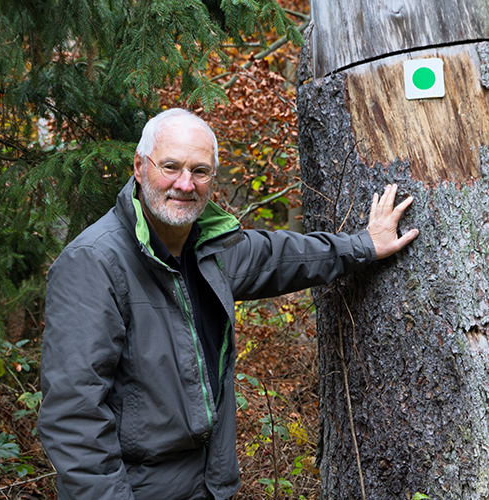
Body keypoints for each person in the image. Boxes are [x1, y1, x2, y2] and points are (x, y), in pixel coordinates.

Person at [38, 108, 419, 500]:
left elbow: (283, 256)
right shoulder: (94, 261)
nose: (185, 184)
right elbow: (73, 417)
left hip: (209, 485)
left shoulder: (207, 248)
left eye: (200, 171)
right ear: (139, 167)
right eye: (170, 166)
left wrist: (365, 245)